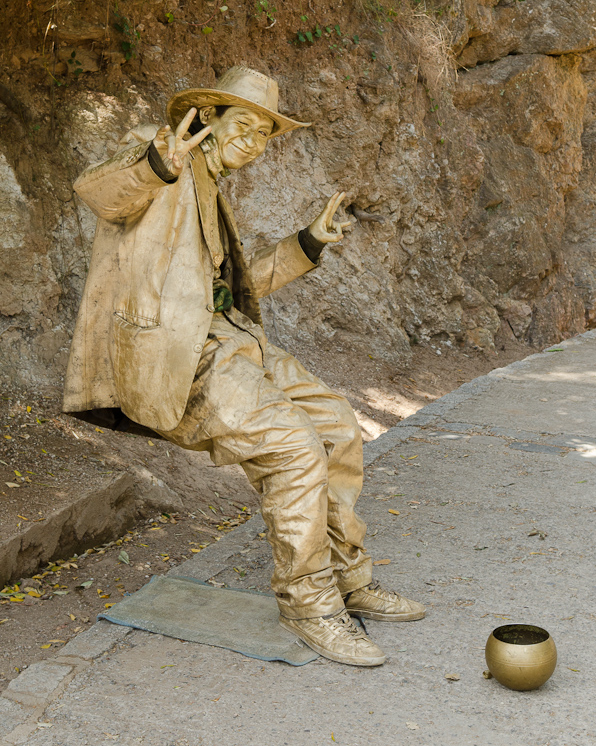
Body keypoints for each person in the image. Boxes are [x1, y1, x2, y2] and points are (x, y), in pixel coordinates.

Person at [63, 66, 425, 666]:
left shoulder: (212, 189)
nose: (255, 143)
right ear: (208, 119)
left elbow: (228, 291)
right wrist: (158, 163)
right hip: (181, 356)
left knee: (335, 423)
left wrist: (306, 243)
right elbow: (96, 191)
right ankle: (311, 607)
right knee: (292, 448)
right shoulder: (165, 162)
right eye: (245, 126)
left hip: (232, 339)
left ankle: (348, 581)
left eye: (264, 134)